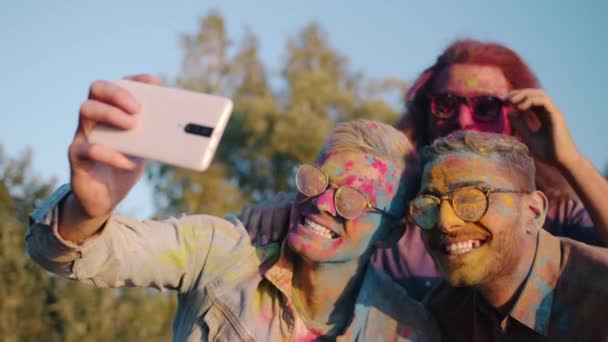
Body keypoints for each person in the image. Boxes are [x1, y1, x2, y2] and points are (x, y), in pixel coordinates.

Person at [25, 77, 439, 342]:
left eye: (351, 200)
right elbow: (82, 255)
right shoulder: (228, 252)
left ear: (389, 232)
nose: (322, 203)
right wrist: (87, 209)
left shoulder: (407, 331)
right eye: (316, 180)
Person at [241, 39, 608, 300]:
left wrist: (569, 160)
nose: (464, 120)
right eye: (446, 104)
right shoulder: (389, 209)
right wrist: (287, 210)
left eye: (485, 107)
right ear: (425, 111)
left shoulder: (554, 212)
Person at [413, 130, 608, 341]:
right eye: (429, 204)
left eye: (471, 200)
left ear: (533, 212)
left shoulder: (600, 294)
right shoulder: (440, 314)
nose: (445, 222)